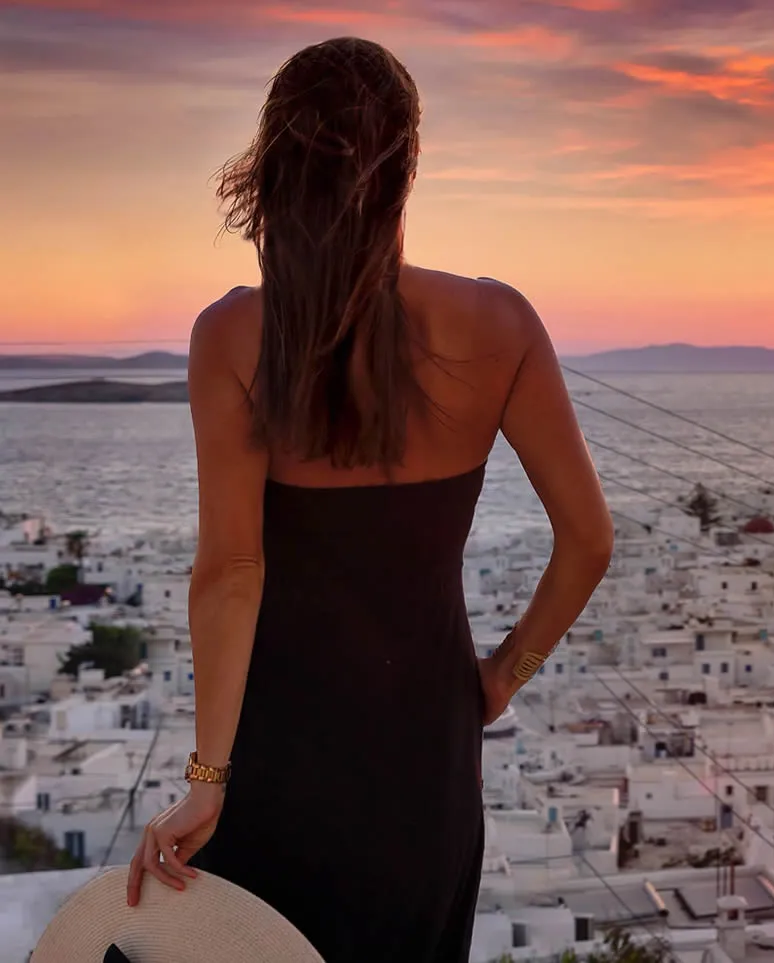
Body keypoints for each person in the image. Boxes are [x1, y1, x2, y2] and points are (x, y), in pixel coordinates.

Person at [125, 37, 614, 962]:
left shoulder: (232, 335)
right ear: (408, 165)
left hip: (277, 752)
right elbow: (586, 539)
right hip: (426, 746)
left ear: (274, 163)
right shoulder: (500, 323)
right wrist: (505, 674)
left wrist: (207, 779)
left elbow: (231, 572)